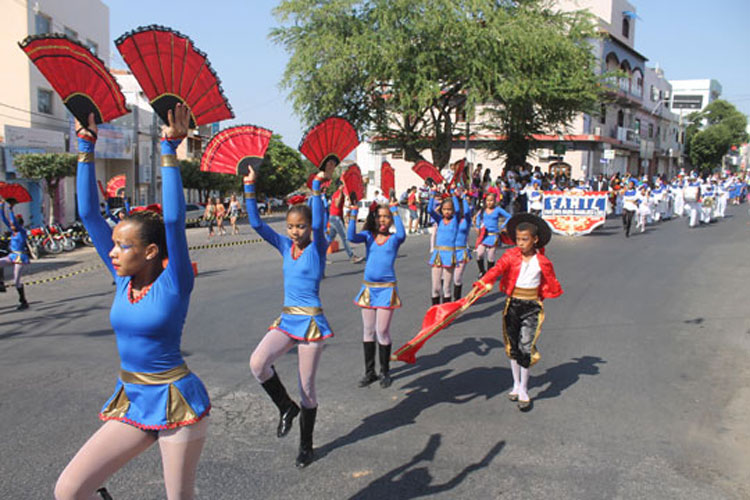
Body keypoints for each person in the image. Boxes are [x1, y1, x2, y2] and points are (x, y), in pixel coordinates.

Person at [56, 106, 210, 500]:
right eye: (114, 245)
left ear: (151, 251)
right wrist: (85, 144)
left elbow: (175, 222)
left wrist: (169, 150)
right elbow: (89, 212)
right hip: (133, 399)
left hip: (175, 400)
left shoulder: (176, 282)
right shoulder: (121, 282)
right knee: (69, 490)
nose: (113, 253)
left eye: (124, 246)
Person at [245, 160, 337, 468]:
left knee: (306, 387)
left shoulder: (318, 246)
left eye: (301, 226)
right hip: (286, 320)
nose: (295, 231)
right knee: (258, 363)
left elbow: (322, 221)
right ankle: (286, 408)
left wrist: (316, 189)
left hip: (311, 322)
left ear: (309, 227)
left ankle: (305, 445)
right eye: (291, 226)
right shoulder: (285, 246)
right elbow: (257, 225)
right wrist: (249, 186)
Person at [473, 213, 562, 412]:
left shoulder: (542, 261)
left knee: (526, 346)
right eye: (518, 239)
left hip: (532, 307)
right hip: (513, 304)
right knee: (512, 345)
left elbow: (549, 282)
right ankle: (515, 383)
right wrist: (482, 282)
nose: (520, 244)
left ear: (535, 240)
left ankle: (524, 388)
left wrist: (542, 298)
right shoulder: (510, 256)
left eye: (525, 240)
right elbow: (496, 270)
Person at [347, 196, 406, 388]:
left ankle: (385, 371)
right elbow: (350, 237)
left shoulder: (394, 239)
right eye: (380, 216)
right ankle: (369, 372)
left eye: (387, 217)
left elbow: (403, 233)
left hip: (387, 290)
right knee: (368, 331)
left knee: (382, 331)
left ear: (391, 219)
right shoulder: (368, 237)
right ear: (374, 218)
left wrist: (395, 209)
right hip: (368, 289)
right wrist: (354, 211)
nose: (383, 220)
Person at [427, 192, 459, 304]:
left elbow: (458, 210)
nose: (447, 211)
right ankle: (434, 312)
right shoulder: (439, 220)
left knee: (446, 288)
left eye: (449, 209)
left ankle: (445, 315)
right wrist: (432, 195)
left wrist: (454, 195)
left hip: (449, 255)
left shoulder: (455, 220)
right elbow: (430, 210)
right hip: (438, 254)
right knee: (435, 288)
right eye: (444, 209)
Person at [0, 198, 30, 308]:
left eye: (13, 224)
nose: (11, 226)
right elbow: (3, 218)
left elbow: (14, 222)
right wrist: (2, 205)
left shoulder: (22, 232)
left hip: (20, 257)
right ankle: (1, 282)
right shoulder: (13, 231)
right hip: (12, 255)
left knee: (16, 280)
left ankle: (23, 301)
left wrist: (10, 209)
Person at [474, 192, 511, 277]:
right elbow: (478, 217)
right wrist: (477, 226)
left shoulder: (498, 209)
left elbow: (509, 216)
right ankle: (482, 271)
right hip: (484, 235)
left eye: (491, 200)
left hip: (494, 236)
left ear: (495, 201)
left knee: (490, 256)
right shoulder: (483, 210)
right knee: (479, 253)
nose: (489, 202)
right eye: (488, 200)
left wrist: (503, 225)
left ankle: (490, 274)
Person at [327, 180, 363, 263]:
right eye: (342, 185)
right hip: (335, 218)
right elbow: (337, 204)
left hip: (336, 217)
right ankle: (352, 256)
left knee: (330, 238)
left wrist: (350, 206)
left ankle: (320, 256)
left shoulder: (341, 194)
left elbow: (340, 205)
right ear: (339, 186)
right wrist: (340, 191)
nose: (344, 186)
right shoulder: (337, 193)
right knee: (344, 237)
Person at [452, 189, 473, 301]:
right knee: (445, 279)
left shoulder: (467, 220)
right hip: (450, 251)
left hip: (462, 252)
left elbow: (466, 212)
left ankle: (457, 301)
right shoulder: (452, 221)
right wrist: (452, 192)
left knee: (457, 278)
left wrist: (464, 197)